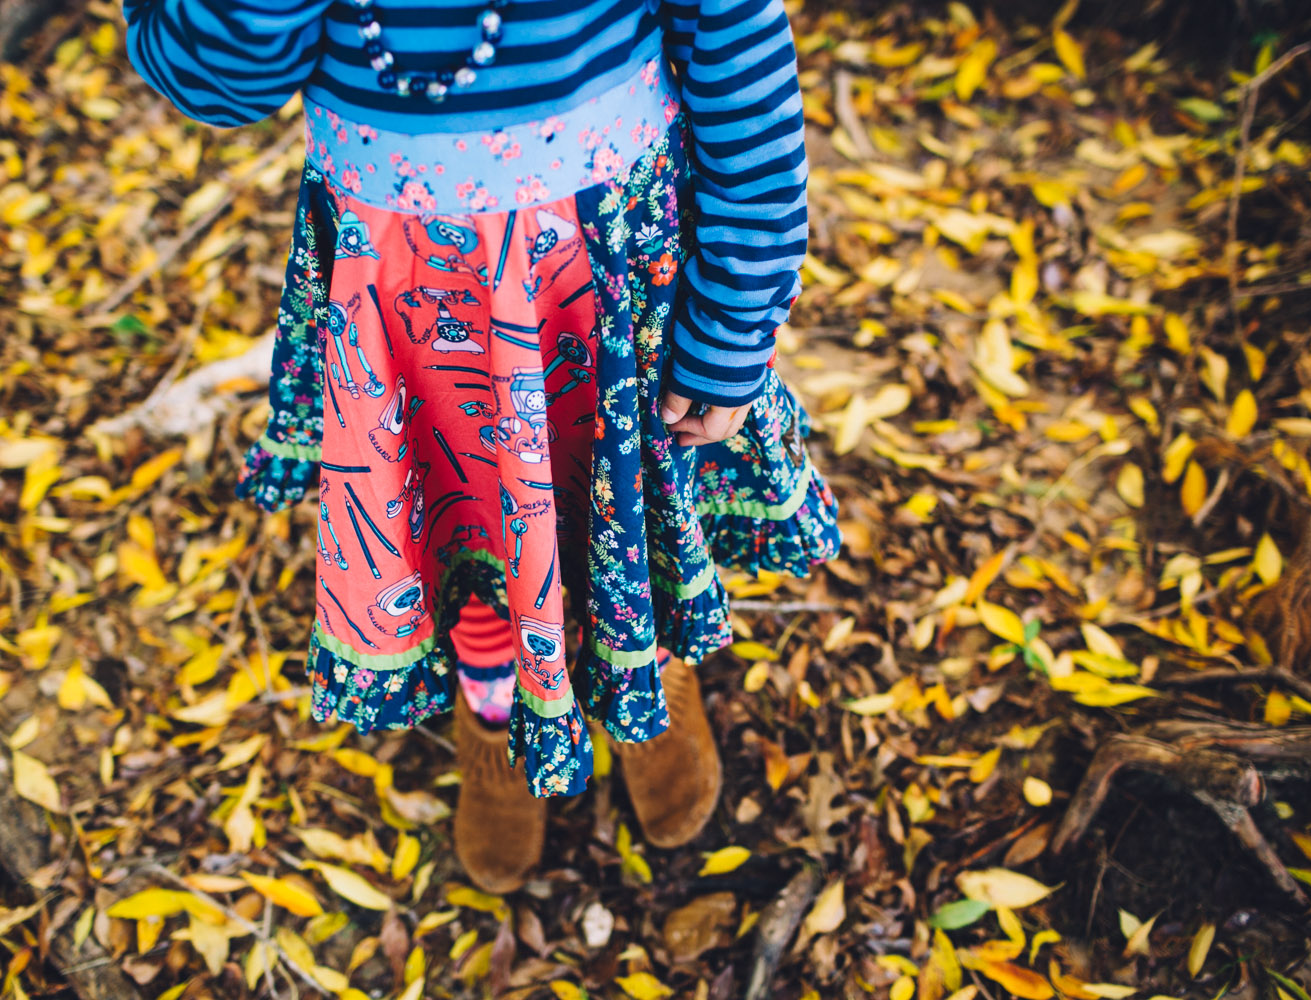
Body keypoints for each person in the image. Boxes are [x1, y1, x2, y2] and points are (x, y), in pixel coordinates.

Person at [122, 0, 841, 892]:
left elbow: (739, 50)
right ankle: (494, 707)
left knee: (622, 504)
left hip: (599, 267)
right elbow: (211, 80)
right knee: (467, 524)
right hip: (407, 293)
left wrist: (737, 312)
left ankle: (650, 684)